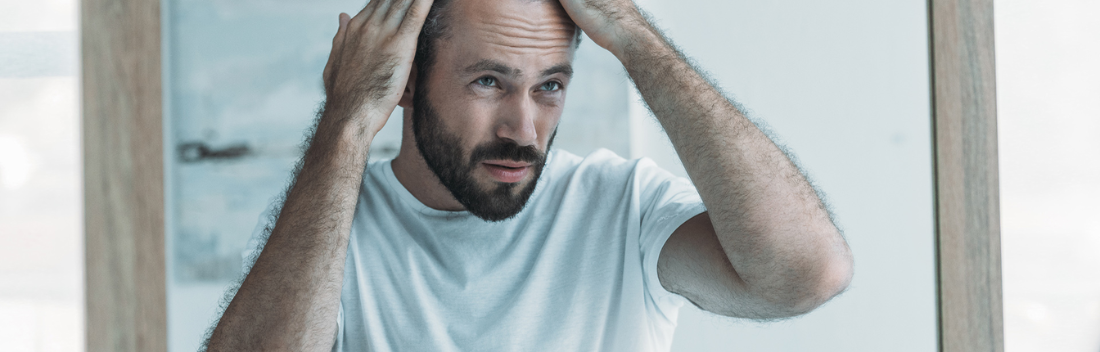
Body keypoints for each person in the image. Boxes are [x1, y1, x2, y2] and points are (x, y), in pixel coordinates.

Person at [205, 0, 854, 350]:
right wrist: (344, 122)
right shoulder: (330, 225)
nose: (523, 128)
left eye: (549, 86)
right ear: (403, 83)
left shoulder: (622, 207)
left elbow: (805, 274)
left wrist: (633, 37)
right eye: (488, 81)